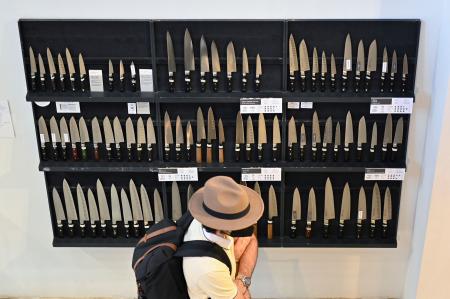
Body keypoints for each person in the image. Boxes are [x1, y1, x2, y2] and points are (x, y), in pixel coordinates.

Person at [182, 176, 264, 299]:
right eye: (242, 221)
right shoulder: (209, 269)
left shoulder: (204, 217)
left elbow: (250, 238)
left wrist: (242, 279)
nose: (249, 223)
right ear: (226, 225)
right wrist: (242, 286)